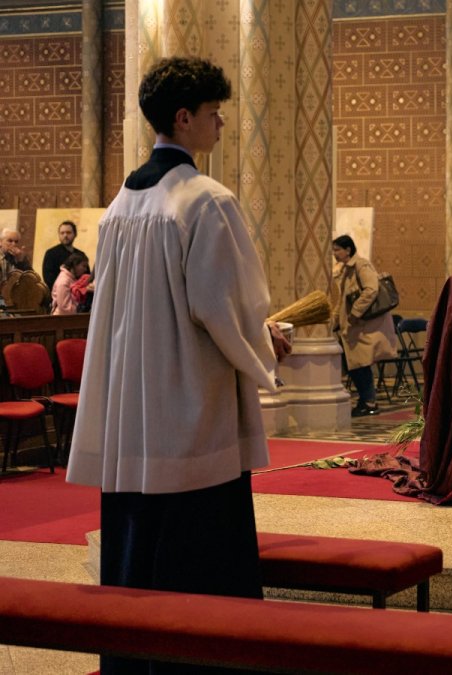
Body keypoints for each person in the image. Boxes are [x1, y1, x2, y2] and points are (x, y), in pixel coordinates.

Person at [64, 56, 291, 675]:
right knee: (199, 559)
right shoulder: (205, 202)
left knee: (138, 550)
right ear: (183, 118)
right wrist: (268, 341)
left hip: (130, 417)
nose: (222, 124)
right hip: (191, 414)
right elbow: (227, 309)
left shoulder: (118, 208)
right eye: (215, 114)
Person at [331, 234, 399, 417]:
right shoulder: (345, 270)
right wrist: (333, 322)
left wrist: (355, 313)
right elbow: (342, 301)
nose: (335, 254)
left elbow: (371, 289)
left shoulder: (361, 265)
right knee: (356, 365)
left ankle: (369, 402)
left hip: (365, 326)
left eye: (337, 249)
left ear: (348, 250)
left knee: (361, 365)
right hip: (355, 327)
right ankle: (365, 400)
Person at [42, 220, 84, 288]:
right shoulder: (51, 253)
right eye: (62, 233)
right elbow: (48, 278)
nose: (65, 235)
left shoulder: (81, 255)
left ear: (75, 234)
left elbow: (86, 276)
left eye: (68, 232)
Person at [49, 250, 89, 315]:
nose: (85, 269)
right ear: (75, 265)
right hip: (61, 320)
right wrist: (82, 309)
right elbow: (65, 309)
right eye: (83, 266)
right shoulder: (63, 281)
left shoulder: (72, 278)